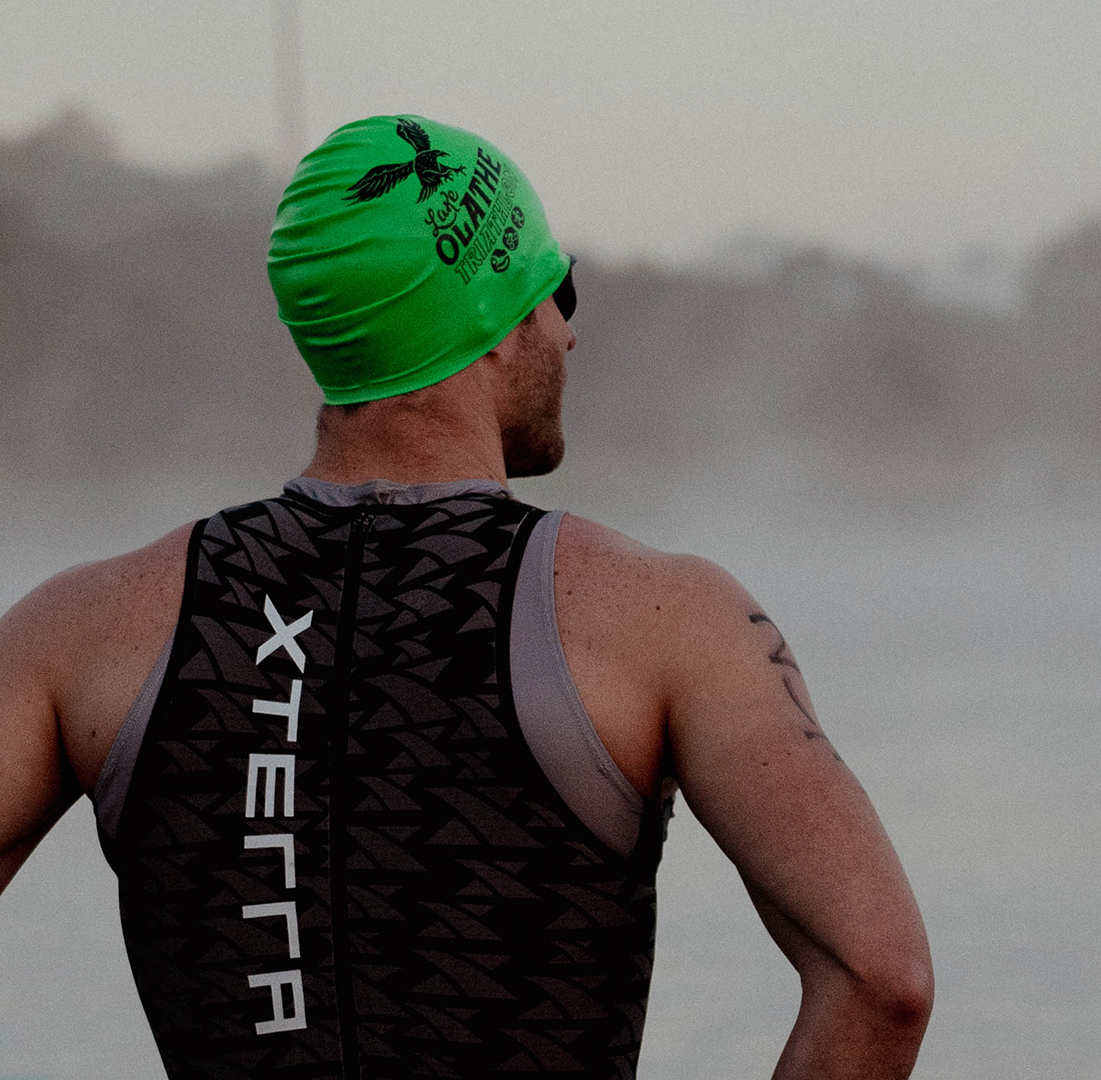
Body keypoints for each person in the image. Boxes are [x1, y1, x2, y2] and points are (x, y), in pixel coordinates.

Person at [0, 115, 933, 1078]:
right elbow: (881, 976)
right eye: (555, 289)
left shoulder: (76, 632)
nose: (570, 331)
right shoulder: (668, 621)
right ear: (493, 316)